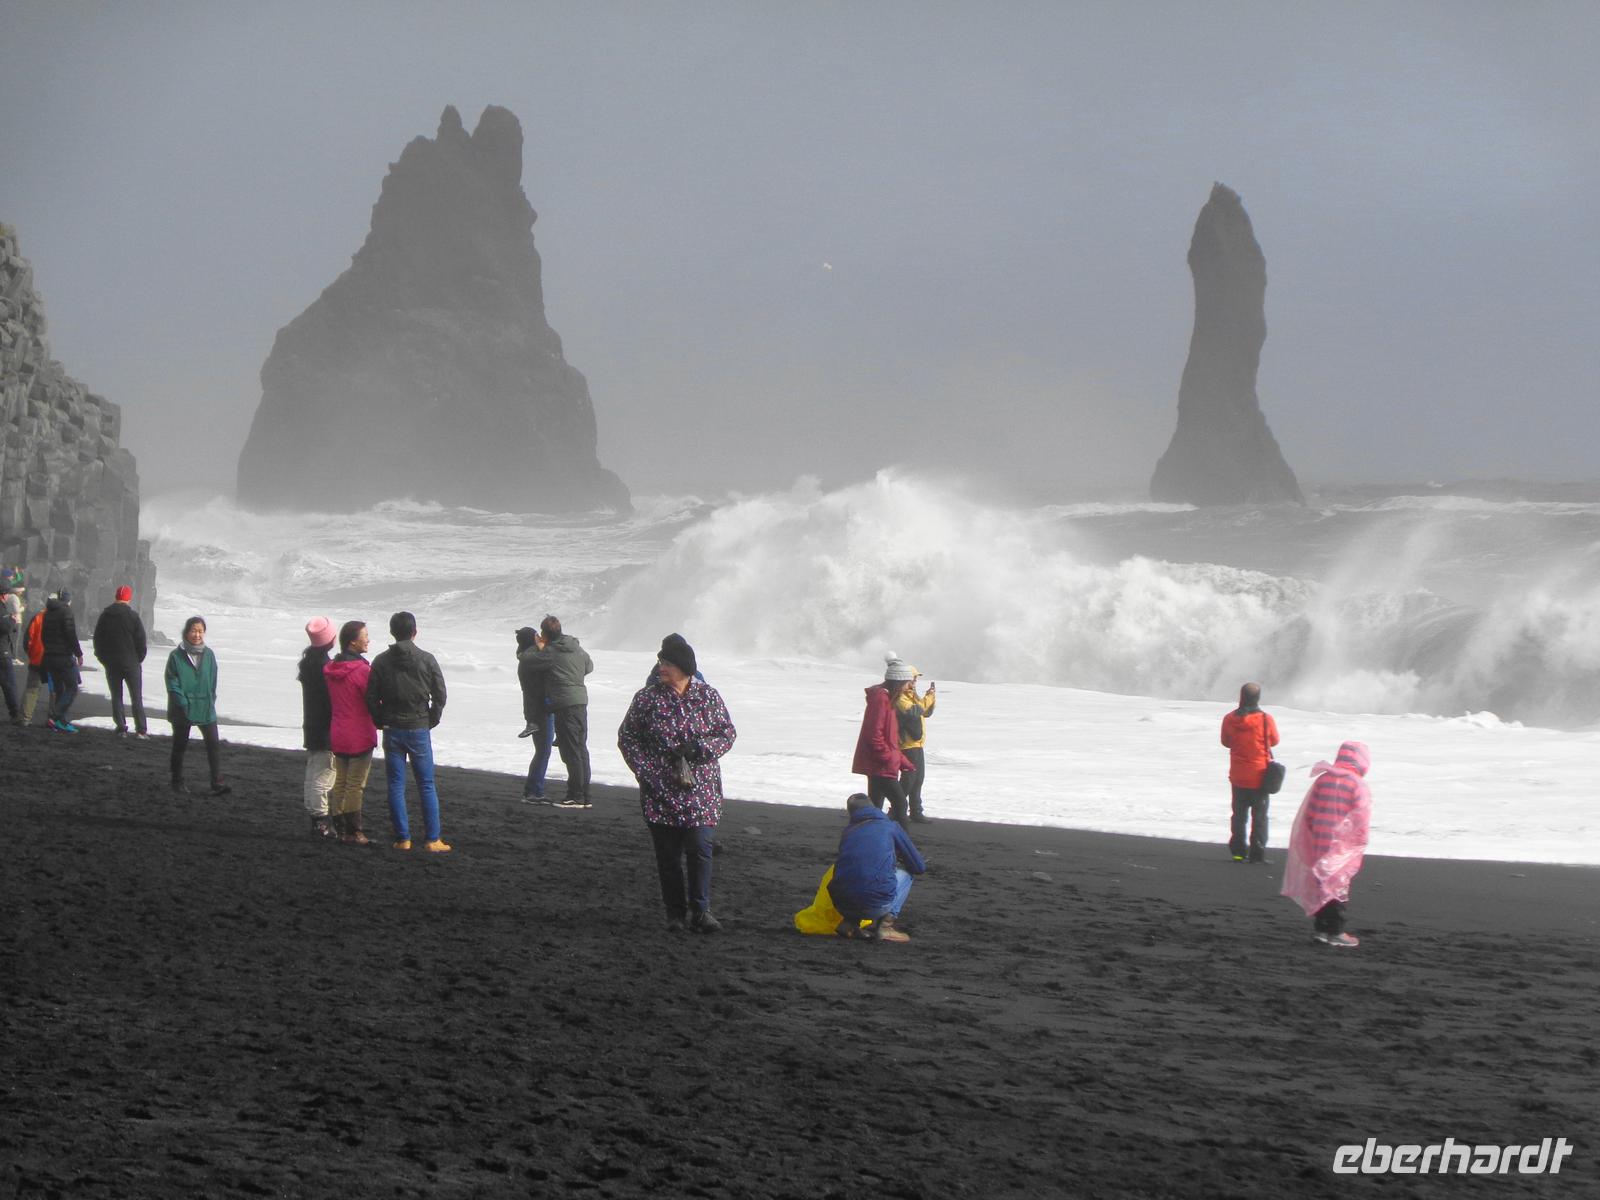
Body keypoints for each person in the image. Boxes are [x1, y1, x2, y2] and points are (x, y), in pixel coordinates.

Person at [618, 633, 737, 933]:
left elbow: (727, 733)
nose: (661, 667)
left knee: (699, 849)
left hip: (701, 789)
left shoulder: (708, 696)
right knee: (668, 856)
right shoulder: (646, 698)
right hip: (660, 791)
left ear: (684, 667)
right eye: (661, 662)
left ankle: (701, 910)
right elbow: (628, 738)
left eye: (668, 663)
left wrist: (700, 749)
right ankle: (675, 913)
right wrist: (646, 772)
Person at [366, 610, 449, 852]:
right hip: (417, 726)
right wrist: (431, 719)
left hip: (392, 727)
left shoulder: (381, 661)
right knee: (425, 783)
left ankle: (403, 838)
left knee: (395, 783)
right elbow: (440, 694)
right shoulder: (427, 659)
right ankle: (432, 839)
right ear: (415, 632)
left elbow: (371, 696)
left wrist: (380, 720)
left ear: (392, 632)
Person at [1281, 741, 1372, 949]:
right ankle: (1336, 932)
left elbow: (1310, 812)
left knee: (1321, 883)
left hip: (1319, 840)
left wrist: (1313, 834)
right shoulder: (1357, 785)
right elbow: (1361, 817)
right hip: (1341, 845)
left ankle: (1321, 929)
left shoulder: (1324, 780)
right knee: (1337, 885)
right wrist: (1360, 841)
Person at [828, 793, 927, 943]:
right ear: (873, 808)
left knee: (853, 872)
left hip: (841, 905)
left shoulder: (848, 832)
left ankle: (849, 924)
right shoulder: (890, 826)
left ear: (851, 812)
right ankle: (885, 926)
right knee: (907, 873)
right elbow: (919, 867)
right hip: (875, 905)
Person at [519, 615, 594, 809]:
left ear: (544, 634)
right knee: (580, 748)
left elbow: (526, 659)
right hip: (581, 700)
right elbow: (589, 666)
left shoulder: (551, 652)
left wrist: (538, 645)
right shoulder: (575, 646)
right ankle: (584, 795)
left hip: (563, 703)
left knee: (570, 751)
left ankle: (575, 796)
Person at [325, 620, 378, 847]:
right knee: (355, 784)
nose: (368, 639)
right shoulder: (362, 671)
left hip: (338, 731)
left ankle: (340, 828)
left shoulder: (331, 670)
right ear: (353, 641)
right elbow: (373, 699)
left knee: (341, 782)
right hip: (359, 733)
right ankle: (354, 831)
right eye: (365, 635)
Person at [165, 615, 230, 796]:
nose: (197, 634)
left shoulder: (209, 654)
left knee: (213, 744)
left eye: (200, 631)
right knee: (180, 745)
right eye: (193, 630)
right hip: (182, 707)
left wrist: (211, 699)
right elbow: (172, 682)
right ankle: (177, 781)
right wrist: (183, 703)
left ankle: (217, 782)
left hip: (204, 705)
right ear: (186, 632)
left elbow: (213, 679)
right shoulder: (176, 656)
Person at [852, 654, 918, 823]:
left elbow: (888, 739)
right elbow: (875, 735)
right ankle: (901, 846)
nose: (909, 686)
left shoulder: (887, 699)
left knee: (875, 806)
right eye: (907, 682)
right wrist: (889, 758)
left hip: (881, 763)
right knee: (900, 804)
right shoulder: (881, 699)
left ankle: (870, 841)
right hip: (880, 765)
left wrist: (903, 762)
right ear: (898, 683)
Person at [1220, 681, 1280, 863]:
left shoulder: (1230, 718)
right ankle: (1257, 854)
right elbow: (1275, 741)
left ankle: (1238, 852)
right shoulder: (1265, 719)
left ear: (1241, 697)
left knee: (1239, 815)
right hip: (1259, 775)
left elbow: (1225, 742)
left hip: (1238, 775)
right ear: (1258, 698)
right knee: (1259, 816)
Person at [298, 616, 338, 838]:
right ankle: (320, 821)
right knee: (323, 775)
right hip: (325, 728)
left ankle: (317, 818)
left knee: (314, 772)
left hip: (312, 725)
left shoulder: (309, 663)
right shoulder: (325, 667)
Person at [93, 585, 149, 738]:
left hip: (112, 662)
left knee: (117, 696)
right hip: (131, 663)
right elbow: (141, 642)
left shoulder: (105, 615)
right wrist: (138, 659)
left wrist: (103, 659)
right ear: (129, 598)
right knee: (136, 697)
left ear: (115, 596)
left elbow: (98, 639)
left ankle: (121, 728)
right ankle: (141, 730)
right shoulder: (133, 616)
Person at [514, 626, 557, 802]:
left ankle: (533, 790)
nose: (540, 637)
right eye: (536, 636)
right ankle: (533, 791)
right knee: (543, 751)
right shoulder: (531, 659)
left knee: (542, 750)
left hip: (534, 709)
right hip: (540, 709)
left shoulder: (525, 658)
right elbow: (550, 661)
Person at [895, 669, 937, 824]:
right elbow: (914, 711)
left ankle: (915, 811)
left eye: (915, 679)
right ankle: (896, 810)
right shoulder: (899, 698)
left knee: (918, 779)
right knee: (908, 779)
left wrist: (931, 696)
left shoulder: (911, 696)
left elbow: (925, 712)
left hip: (917, 744)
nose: (914, 682)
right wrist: (928, 698)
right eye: (912, 679)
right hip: (907, 744)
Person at [40, 589, 84, 733]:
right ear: (68, 600)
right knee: (72, 688)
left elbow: (43, 635)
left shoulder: (48, 613)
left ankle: (61, 722)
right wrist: (78, 653)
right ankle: (55, 717)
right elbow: (70, 634)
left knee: (60, 690)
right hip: (63, 656)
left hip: (49, 656)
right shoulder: (66, 612)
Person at [20, 600, 47, 725]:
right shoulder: (63, 616)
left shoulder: (38, 617)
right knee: (56, 689)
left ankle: (25, 717)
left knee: (32, 688)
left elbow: (27, 639)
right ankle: (54, 719)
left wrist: (31, 654)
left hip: (37, 658)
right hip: (56, 659)